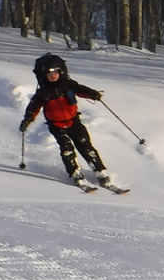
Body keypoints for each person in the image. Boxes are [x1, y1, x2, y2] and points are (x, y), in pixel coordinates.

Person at [19, 53, 116, 187]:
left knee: (85, 146)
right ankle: (74, 172)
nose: (53, 76)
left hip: (74, 121)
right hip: (56, 125)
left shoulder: (68, 85)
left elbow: (81, 89)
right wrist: (27, 120)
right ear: (43, 76)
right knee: (66, 148)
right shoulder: (43, 93)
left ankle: (99, 171)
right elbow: (33, 108)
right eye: (49, 74)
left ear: (61, 72)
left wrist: (93, 94)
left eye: (55, 72)